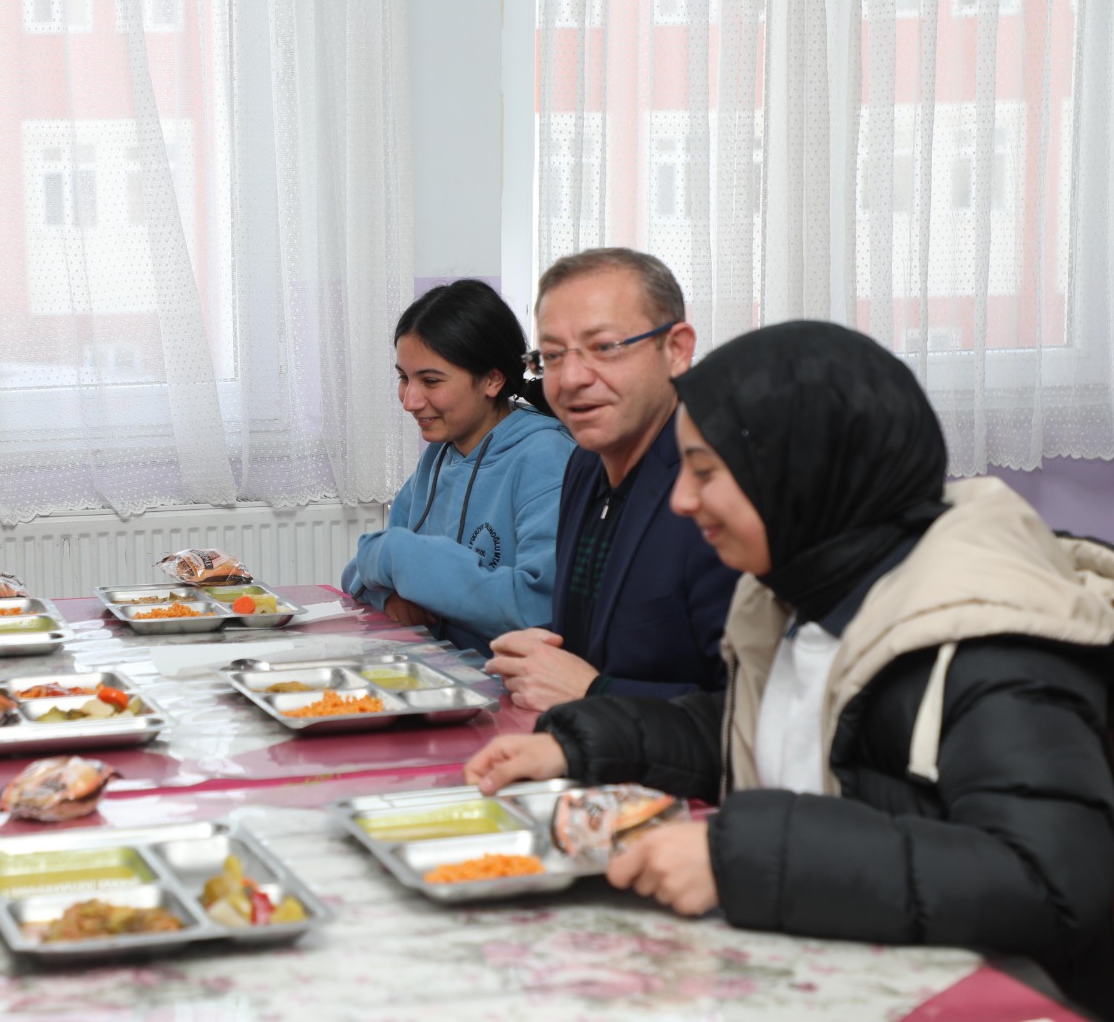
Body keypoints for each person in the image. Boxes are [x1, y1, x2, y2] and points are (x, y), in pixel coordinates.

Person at [464, 321, 1114, 1019]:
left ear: (804, 471)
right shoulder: (805, 592)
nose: (682, 501)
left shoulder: (991, 638)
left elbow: (1049, 881)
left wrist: (734, 858)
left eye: (706, 472)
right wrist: (580, 742)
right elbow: (764, 730)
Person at [486, 249, 737, 710]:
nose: (571, 379)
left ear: (677, 349)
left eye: (604, 347)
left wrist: (593, 693)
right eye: (554, 356)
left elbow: (751, 713)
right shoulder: (584, 462)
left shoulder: (719, 484)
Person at [341, 280, 576, 656]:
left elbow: (538, 608)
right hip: (434, 671)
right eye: (404, 378)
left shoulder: (546, 457)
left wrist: (399, 558)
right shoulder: (441, 453)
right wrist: (391, 597)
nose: (410, 401)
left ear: (493, 379)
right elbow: (360, 570)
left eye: (431, 381)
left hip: (507, 687)